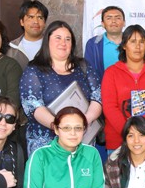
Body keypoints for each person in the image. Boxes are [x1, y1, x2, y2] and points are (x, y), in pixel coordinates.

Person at [19, 21, 102, 155]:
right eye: (58, 38)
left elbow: (98, 97)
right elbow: (32, 105)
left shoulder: (84, 66)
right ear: (47, 41)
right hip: (46, 143)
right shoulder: (34, 70)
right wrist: (60, 127)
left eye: (67, 39)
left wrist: (84, 121)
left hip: (82, 139)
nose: (63, 43)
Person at [101, 25, 145, 151]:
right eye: (133, 42)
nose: (138, 46)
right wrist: (128, 131)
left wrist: (141, 128)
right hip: (119, 142)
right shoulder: (111, 73)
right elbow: (109, 107)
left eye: (142, 42)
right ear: (124, 45)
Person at [84, 6, 125, 81]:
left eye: (118, 18)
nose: (113, 21)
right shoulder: (93, 44)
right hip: (103, 90)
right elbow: (90, 74)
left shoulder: (133, 42)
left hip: (130, 90)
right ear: (103, 24)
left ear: (124, 23)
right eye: (109, 18)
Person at [6, 0, 49, 70]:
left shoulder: (52, 46)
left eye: (40, 17)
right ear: (22, 22)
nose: (36, 22)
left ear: (44, 23)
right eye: (31, 17)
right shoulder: (11, 48)